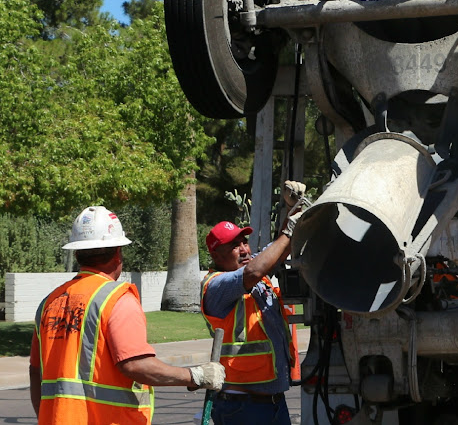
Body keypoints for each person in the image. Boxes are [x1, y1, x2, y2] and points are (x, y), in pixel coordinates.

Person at [29, 206, 225, 425]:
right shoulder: (116, 298)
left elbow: (36, 372)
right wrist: (195, 375)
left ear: (77, 253)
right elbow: (135, 365)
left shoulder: (49, 303)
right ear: (118, 253)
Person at [200, 180, 306, 425]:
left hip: (272, 402)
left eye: (244, 241)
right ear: (216, 255)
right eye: (234, 245)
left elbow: (279, 247)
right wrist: (290, 228)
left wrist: (295, 209)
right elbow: (254, 272)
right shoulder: (216, 285)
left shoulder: (253, 269)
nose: (244, 249)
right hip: (241, 407)